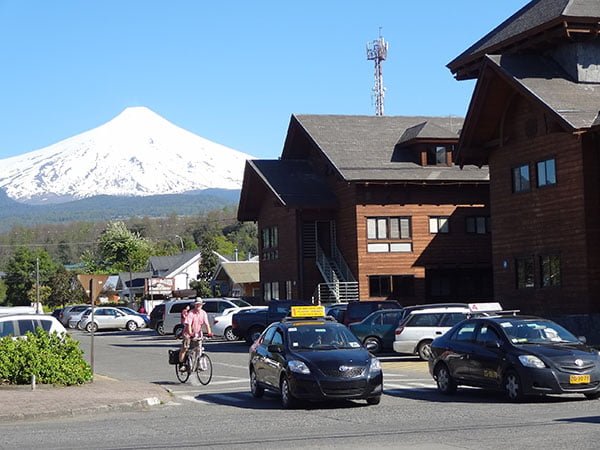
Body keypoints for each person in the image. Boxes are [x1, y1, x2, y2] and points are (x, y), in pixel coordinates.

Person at [179, 298, 212, 364]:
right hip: (188, 333)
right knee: (185, 348)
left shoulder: (203, 313)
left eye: (199, 304)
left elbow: (206, 324)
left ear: (202, 305)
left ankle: (198, 364)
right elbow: (189, 324)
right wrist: (190, 334)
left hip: (198, 333)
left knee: (198, 348)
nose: (198, 306)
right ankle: (181, 363)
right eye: (197, 305)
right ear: (194, 305)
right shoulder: (191, 313)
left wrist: (209, 333)